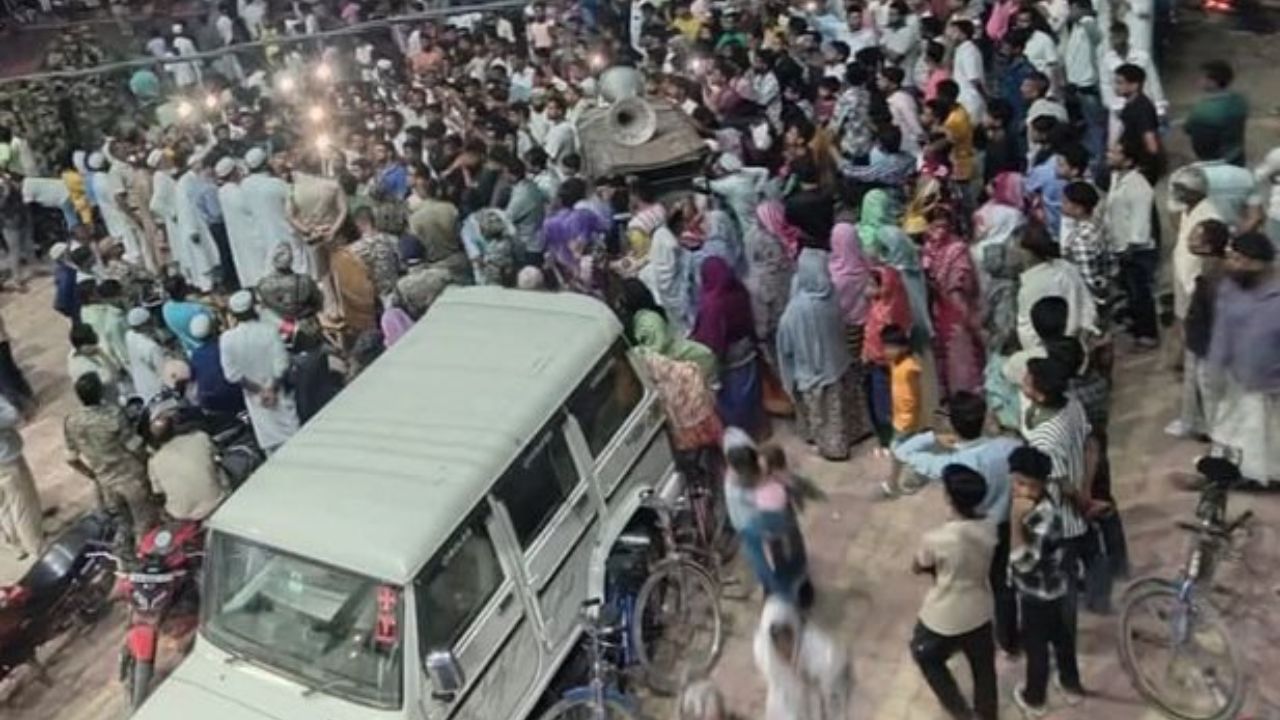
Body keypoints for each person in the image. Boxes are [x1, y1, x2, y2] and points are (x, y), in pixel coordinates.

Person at [910, 464, 998, 720]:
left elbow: (918, 565)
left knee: (924, 654)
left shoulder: (938, 539)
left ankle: (961, 712)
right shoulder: (990, 527)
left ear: (949, 497)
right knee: (983, 668)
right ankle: (987, 714)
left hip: (945, 615)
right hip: (980, 608)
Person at [1007, 445, 1085, 716]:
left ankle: (1035, 698)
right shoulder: (1042, 503)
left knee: (1036, 647)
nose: (1018, 490)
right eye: (1015, 482)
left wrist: (1015, 521)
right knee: (1062, 638)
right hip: (1057, 587)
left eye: (1025, 485)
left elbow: (1025, 563)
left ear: (1042, 485)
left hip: (1037, 594)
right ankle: (1071, 684)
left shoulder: (1042, 516)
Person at [776, 248, 865, 460]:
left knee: (824, 414)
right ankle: (852, 435)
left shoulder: (795, 310)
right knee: (841, 407)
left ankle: (833, 448)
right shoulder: (831, 294)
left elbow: (785, 345)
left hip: (812, 372)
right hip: (839, 363)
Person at [1206, 233, 1280, 486]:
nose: (1231, 264)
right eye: (1231, 257)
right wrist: (1215, 367)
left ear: (1259, 263)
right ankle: (1247, 476)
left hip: (1273, 385)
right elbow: (1222, 331)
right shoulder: (1230, 287)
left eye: (1239, 259)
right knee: (1240, 432)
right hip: (1237, 380)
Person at [63, 372, 156, 537]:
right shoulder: (113, 414)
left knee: (123, 528)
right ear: (100, 392)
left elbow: (71, 458)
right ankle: (146, 559)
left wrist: (92, 475)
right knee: (145, 525)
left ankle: (126, 559)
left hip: (106, 484)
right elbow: (134, 446)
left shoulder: (71, 421)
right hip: (131, 479)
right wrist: (149, 462)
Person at [1169, 219, 1228, 440]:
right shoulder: (1209, 267)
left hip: (1208, 345)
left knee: (1211, 394)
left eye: (1195, 237)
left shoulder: (1214, 275)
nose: (1189, 240)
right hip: (1201, 341)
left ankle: (1217, 437)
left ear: (1207, 246)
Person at [219, 290, 299, 452]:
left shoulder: (227, 339)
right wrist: (271, 389)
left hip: (257, 403)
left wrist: (261, 392)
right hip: (279, 397)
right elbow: (282, 365)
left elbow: (232, 375)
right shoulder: (269, 331)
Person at [692, 257, 764, 437]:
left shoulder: (712, 305)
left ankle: (740, 434)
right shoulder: (739, 289)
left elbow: (712, 338)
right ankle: (757, 427)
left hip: (728, 356)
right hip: (747, 346)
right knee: (750, 390)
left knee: (732, 398)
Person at [753, 597, 853, 720]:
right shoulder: (765, 655)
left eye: (787, 639)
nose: (784, 649)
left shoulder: (820, 652)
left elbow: (836, 685)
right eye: (778, 643)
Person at [922, 207, 983, 396]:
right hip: (936, 307)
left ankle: (965, 394)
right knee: (942, 352)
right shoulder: (928, 247)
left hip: (957, 308)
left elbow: (963, 280)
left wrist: (959, 302)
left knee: (960, 352)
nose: (939, 230)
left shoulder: (957, 249)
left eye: (944, 225)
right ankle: (948, 392)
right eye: (935, 224)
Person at [1106, 139, 1158, 347]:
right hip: (1121, 246)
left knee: (1140, 293)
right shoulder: (1117, 178)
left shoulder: (1138, 185)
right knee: (1130, 290)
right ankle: (1136, 326)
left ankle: (1147, 334)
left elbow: (1140, 219)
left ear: (1128, 160)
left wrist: (1131, 246)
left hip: (1136, 250)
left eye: (1115, 152)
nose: (1109, 154)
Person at [1016, 223, 1097, 351]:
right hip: (1079, 339)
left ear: (1027, 253)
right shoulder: (1066, 267)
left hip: (1053, 350)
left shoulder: (1033, 286)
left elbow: (1027, 332)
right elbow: (1088, 308)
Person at [241, 147, 309, 277]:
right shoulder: (277, 184)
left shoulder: (245, 185)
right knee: (297, 265)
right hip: (285, 231)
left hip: (263, 233)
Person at [146, 412, 226, 521]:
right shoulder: (200, 437)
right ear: (175, 426)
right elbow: (218, 457)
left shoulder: (153, 462)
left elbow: (158, 492)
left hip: (183, 515)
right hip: (217, 500)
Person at [214, 156, 271, 289]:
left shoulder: (223, 191)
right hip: (249, 234)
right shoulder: (234, 191)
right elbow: (249, 207)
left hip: (240, 235)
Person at [0, 393, 42, 559]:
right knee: (23, 505)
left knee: (3, 505)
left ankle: (16, 544)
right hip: (5, 457)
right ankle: (35, 546)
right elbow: (11, 414)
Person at [1184, 60, 1249, 167]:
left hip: (1213, 162)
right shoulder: (1239, 101)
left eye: (1202, 78)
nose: (1198, 81)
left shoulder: (1203, 109)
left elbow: (1189, 129)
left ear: (1212, 82)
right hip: (1236, 157)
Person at [187, 313, 245, 419]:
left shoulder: (196, 355)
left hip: (210, 402)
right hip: (235, 395)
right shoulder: (226, 345)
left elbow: (193, 378)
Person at [125, 307, 168, 405]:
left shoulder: (129, 335)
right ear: (144, 325)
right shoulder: (151, 347)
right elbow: (163, 371)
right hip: (157, 389)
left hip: (140, 384)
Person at [161, 275, 214, 356]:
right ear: (182, 289)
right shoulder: (197, 310)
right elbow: (213, 321)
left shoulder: (166, 308)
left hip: (190, 351)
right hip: (208, 347)